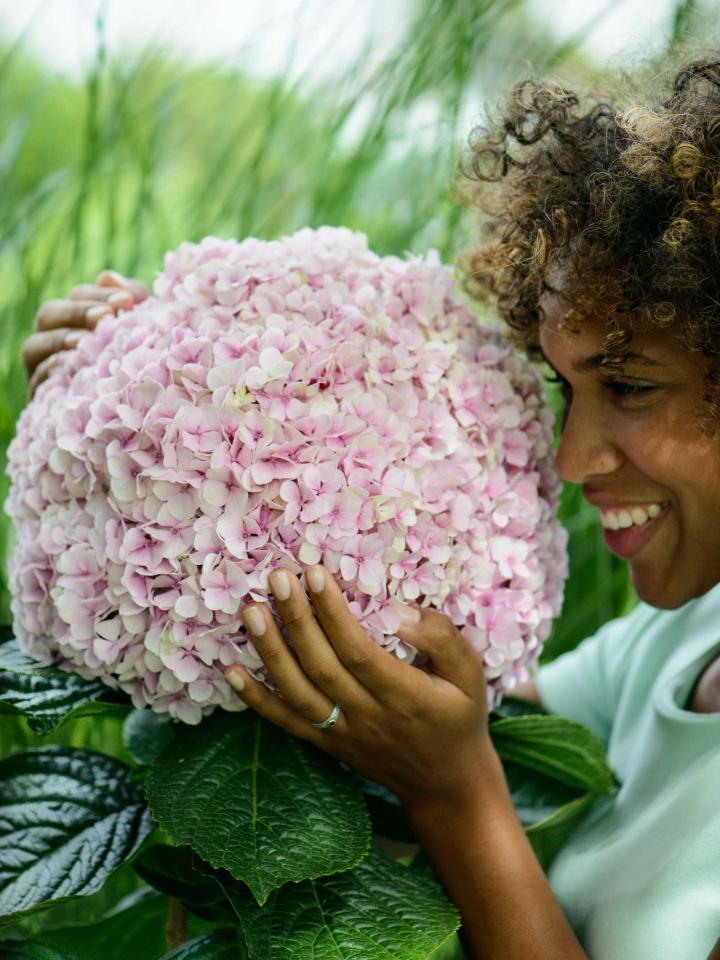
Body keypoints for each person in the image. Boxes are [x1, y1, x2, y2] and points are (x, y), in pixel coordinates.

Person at [21, 56, 720, 960]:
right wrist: (121, 410)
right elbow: (411, 724)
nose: (570, 457)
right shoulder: (677, 644)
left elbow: (448, 765)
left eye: (628, 386)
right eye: (563, 386)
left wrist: (455, 796)